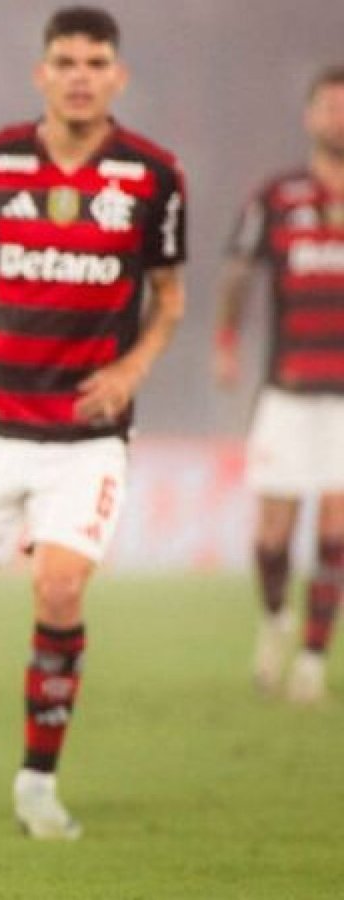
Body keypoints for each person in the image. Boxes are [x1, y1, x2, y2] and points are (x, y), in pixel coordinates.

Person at [0, 6, 186, 840]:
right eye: (65, 60)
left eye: (95, 61)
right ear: (42, 73)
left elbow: (170, 299)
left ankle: (38, 788)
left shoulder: (153, 177)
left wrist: (133, 367)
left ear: (116, 76)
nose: (79, 74)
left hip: (85, 438)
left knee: (58, 587)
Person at [215, 64, 344, 705]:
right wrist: (227, 343)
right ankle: (274, 623)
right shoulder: (278, 195)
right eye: (328, 107)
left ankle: (314, 662)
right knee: (272, 533)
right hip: (288, 390)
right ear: (310, 116)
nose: (338, 117)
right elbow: (239, 272)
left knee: (336, 531)